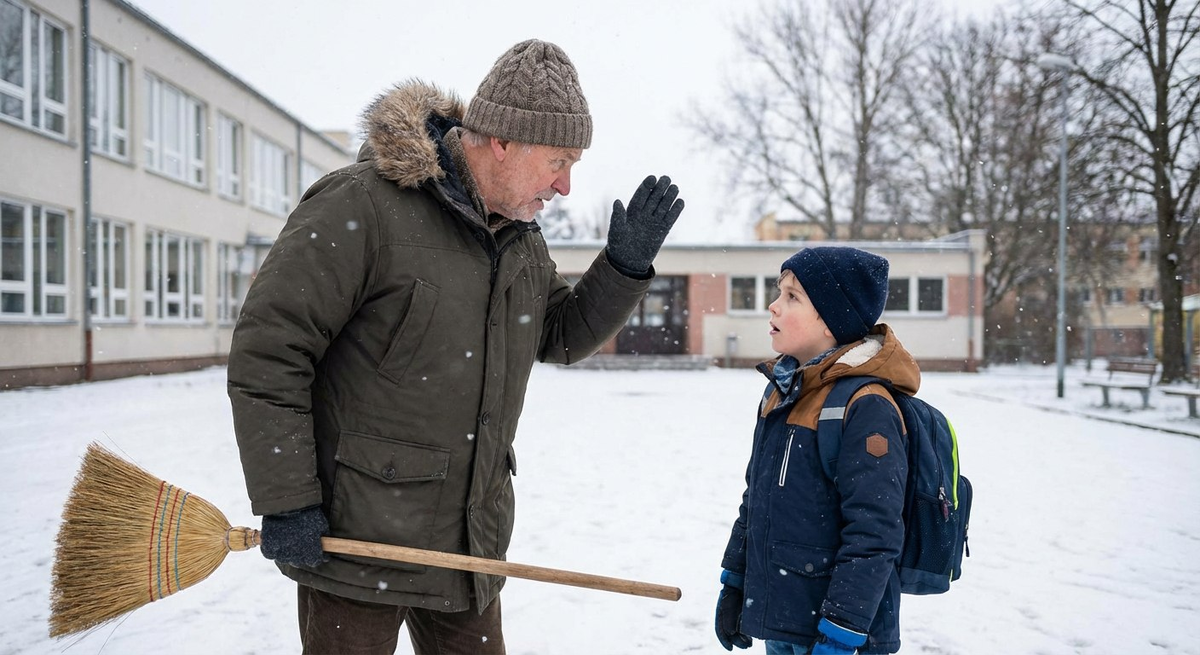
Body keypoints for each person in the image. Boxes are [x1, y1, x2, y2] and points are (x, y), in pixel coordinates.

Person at [227, 39, 685, 654]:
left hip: (468, 546)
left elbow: (561, 334)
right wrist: (287, 500)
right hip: (358, 544)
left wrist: (624, 268)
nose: (567, 186)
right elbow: (270, 350)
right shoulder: (362, 205)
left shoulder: (520, 239)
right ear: (503, 141)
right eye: (559, 160)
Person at [714, 246, 917, 655]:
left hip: (840, 636)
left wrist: (840, 634)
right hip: (784, 625)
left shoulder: (866, 406)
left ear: (831, 320)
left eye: (792, 297)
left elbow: (874, 535)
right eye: (779, 291)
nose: (773, 306)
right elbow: (757, 501)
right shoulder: (783, 393)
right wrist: (735, 579)